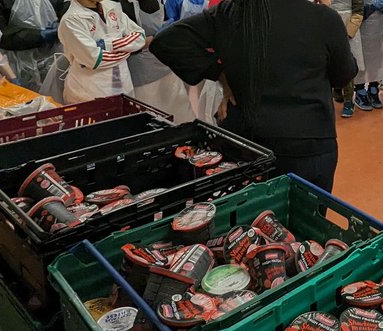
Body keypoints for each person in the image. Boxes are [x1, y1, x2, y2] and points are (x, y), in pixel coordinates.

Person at [150, 0, 356, 192]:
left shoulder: (234, 12)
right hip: (308, 144)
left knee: (249, 222)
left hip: (245, 143)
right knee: (308, 221)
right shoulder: (323, 18)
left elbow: (165, 41)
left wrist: (219, 73)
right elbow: (343, 76)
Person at [58, 0, 146, 104]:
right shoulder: (70, 21)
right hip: (89, 94)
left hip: (124, 86)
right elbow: (95, 60)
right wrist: (127, 50)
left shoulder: (110, 7)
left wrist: (107, 45)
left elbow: (140, 36)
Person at [0, 0, 65, 89]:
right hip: (18, 64)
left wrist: (62, 23)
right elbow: (0, 36)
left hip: (54, 56)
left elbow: (68, 10)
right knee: (27, 96)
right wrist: (40, 35)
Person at [330, 0, 364, 118]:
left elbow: (358, 10)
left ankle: (349, 101)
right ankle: (332, 96)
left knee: (347, 64)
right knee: (329, 62)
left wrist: (349, 32)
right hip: (329, 22)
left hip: (348, 25)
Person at [357, 0, 383, 109]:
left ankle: (373, 89)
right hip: (362, 27)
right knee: (361, 59)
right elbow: (354, 10)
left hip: (379, 28)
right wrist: (371, 7)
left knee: (377, 59)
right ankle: (360, 91)